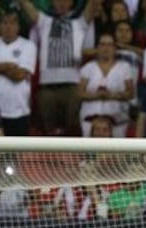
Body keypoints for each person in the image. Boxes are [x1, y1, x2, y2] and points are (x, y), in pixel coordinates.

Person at [19, 0, 103, 136]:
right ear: (52, 2)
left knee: (72, 132)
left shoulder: (80, 23)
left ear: (71, 3)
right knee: (47, 132)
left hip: (72, 87)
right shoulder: (43, 21)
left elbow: (94, 3)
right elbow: (25, 5)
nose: (62, 3)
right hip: (47, 87)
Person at [0, 11, 36, 137]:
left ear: (18, 26)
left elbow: (20, 75)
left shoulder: (28, 45)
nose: (8, 26)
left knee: (13, 155)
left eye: (12, 23)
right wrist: (7, 66)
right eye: (5, 23)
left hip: (17, 111)